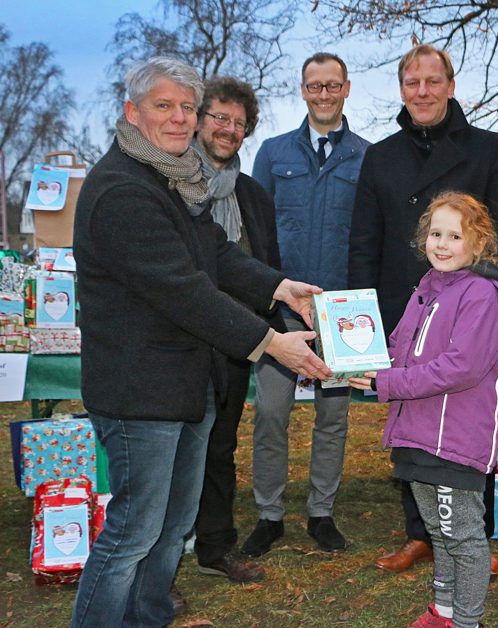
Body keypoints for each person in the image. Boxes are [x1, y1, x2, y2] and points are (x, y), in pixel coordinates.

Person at [71, 57, 331, 628]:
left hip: (186, 386)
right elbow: (185, 290)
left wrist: (282, 287)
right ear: (132, 112)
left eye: (187, 106)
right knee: (134, 531)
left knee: (170, 527)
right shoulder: (121, 189)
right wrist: (271, 343)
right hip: (140, 392)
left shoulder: (173, 178)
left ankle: (149, 617)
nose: (180, 118)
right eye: (164, 106)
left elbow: (216, 254)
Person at [349, 43, 498, 575]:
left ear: (450, 85)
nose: (422, 92)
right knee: (415, 420)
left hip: (468, 309)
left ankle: (474, 537)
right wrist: (360, 317)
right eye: (412, 82)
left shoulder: (486, 147)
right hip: (404, 303)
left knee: (466, 418)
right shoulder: (379, 156)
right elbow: (363, 241)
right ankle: (419, 534)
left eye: (432, 81)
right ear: (402, 89)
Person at [350, 191, 498, 628]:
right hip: (418, 431)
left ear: (478, 243)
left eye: (454, 235)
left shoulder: (484, 295)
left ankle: (466, 621)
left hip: (454, 438)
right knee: (440, 533)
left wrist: (387, 382)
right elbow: (399, 348)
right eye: (435, 233)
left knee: (462, 536)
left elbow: (459, 368)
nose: (441, 244)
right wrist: (359, 360)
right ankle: (444, 612)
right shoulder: (428, 287)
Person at [242, 52, 370, 556]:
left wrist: (356, 306)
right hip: (280, 310)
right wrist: (267, 294)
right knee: (271, 413)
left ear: (346, 88)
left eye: (332, 86)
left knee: (333, 418)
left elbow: (366, 236)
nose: (323, 94)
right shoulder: (273, 155)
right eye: (314, 86)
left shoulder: (366, 156)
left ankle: (322, 513)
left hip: (340, 314)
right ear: (302, 90)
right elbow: (256, 233)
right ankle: (269, 515)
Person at [191, 75, 284, 583]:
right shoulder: (173, 183)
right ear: (200, 120)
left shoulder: (254, 196)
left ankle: (215, 546)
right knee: (178, 450)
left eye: (238, 122)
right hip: (181, 339)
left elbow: (264, 262)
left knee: (221, 447)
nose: (228, 129)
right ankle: (164, 552)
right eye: (219, 118)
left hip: (237, 340)